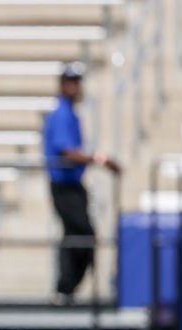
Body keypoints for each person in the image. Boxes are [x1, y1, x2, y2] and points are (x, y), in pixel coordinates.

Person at [42, 62, 121, 304]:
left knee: (76, 235)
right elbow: (66, 151)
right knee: (82, 235)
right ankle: (65, 288)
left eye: (77, 82)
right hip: (64, 187)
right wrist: (99, 159)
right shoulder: (61, 114)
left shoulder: (69, 114)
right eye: (71, 82)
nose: (76, 88)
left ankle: (66, 289)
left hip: (73, 185)